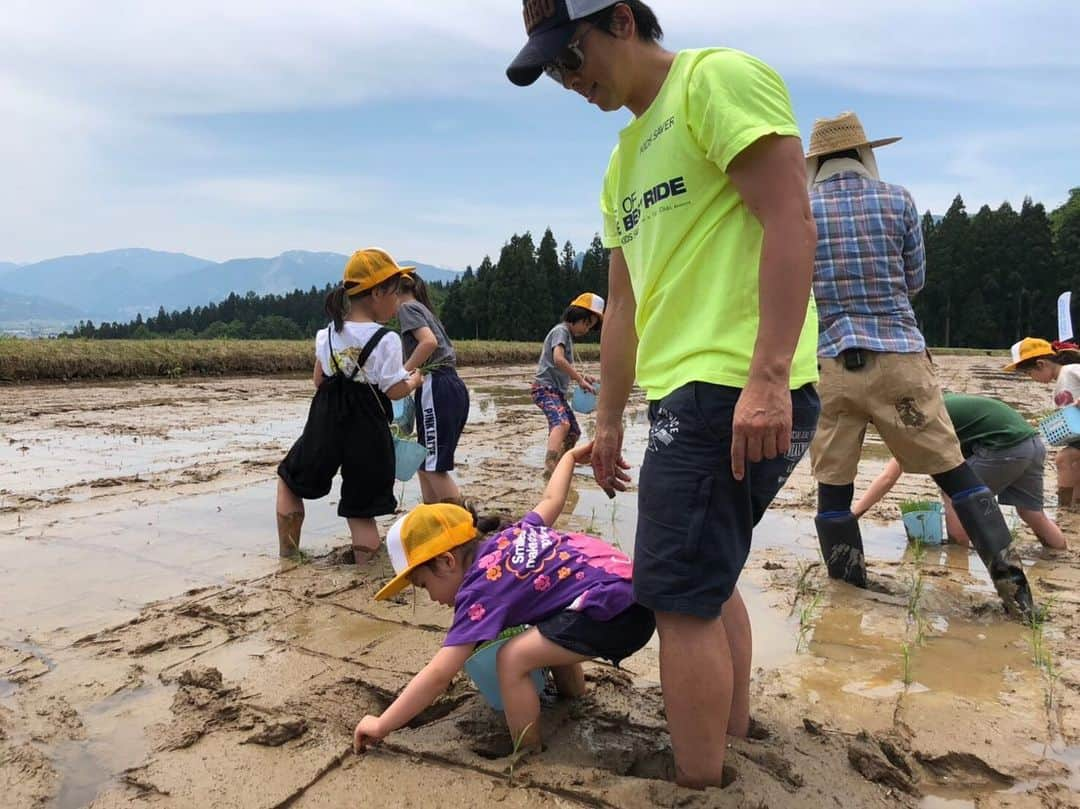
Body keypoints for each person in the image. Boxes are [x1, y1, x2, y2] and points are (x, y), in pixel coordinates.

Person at [507, 1, 821, 788]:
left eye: (570, 57)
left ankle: (698, 782)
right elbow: (626, 307)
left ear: (620, 21)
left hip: (732, 385)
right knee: (705, 583)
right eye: (550, 69)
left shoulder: (713, 82)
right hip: (686, 393)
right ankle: (730, 736)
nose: (566, 80)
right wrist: (607, 417)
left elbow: (789, 215)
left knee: (676, 599)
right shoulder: (621, 162)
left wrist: (769, 375)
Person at [805, 110, 1034, 619]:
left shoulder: (802, 208)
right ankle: (1015, 593)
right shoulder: (897, 199)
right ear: (865, 154)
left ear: (815, 161)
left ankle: (847, 596)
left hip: (832, 365)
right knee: (954, 472)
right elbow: (914, 280)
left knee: (833, 485)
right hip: (899, 360)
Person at [352, 441, 654, 755]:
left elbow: (440, 674)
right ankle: (574, 696)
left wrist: (382, 724)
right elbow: (553, 499)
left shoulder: (479, 590)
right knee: (549, 616)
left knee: (511, 658)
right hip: (633, 592)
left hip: (614, 612)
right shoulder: (512, 535)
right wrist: (568, 458)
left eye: (424, 585)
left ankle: (527, 750)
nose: (432, 598)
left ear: (446, 561)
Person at [276, 248, 422, 564]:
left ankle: (288, 555)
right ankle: (365, 572)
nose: (398, 301)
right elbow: (394, 391)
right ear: (377, 293)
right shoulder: (387, 340)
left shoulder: (327, 334)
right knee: (361, 510)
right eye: (395, 293)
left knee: (290, 480)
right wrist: (413, 382)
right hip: (367, 430)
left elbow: (318, 380)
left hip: (325, 424)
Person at [853, 393, 1066, 550]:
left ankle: (958, 549)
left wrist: (854, 514)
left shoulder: (918, 423)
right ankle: (1059, 554)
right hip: (1031, 442)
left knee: (954, 493)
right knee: (1030, 512)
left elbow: (889, 476)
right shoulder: (929, 405)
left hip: (1005, 446)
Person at [398, 273, 470, 504]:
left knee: (432, 466)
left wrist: (402, 373)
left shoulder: (406, 308)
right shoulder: (422, 308)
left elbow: (428, 343)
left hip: (436, 386)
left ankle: (465, 525)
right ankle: (432, 517)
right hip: (448, 385)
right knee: (424, 463)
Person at [1004, 337, 1080, 512]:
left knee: (1065, 459)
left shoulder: (1070, 371)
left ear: (1040, 364)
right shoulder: (1062, 379)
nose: (1032, 378)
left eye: (1029, 373)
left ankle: (1064, 507)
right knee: (1073, 462)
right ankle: (1074, 506)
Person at [532, 293, 603, 475]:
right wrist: (579, 380)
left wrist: (584, 378)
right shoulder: (561, 331)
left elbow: (564, 366)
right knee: (562, 424)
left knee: (573, 432)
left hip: (556, 392)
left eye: (591, 326)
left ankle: (561, 465)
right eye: (586, 323)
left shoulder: (568, 336)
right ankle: (550, 467)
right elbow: (558, 359)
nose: (587, 330)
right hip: (544, 388)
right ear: (576, 315)